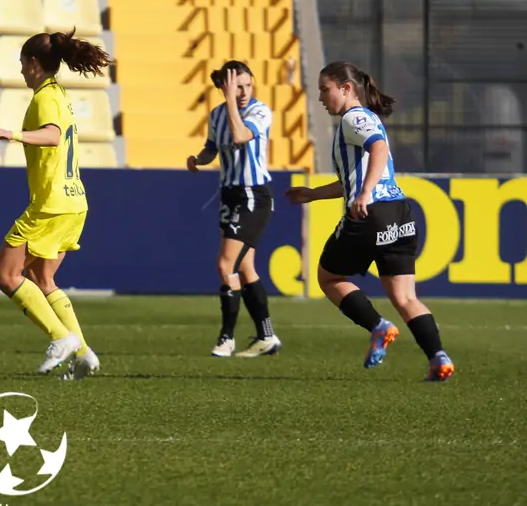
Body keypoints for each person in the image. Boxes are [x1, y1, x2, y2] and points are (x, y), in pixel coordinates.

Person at [285, 61, 454, 382]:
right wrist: (313, 194)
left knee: (329, 278)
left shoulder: (354, 118)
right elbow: (354, 176)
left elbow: (378, 148)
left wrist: (363, 194)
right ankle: (438, 358)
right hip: (399, 213)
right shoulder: (365, 120)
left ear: (346, 89)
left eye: (325, 90)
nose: (321, 98)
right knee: (406, 297)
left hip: (371, 214)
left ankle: (379, 327)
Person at [0, 28, 110, 379]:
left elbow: (52, 136)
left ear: (35, 63)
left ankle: (61, 338)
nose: (21, 71)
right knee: (42, 277)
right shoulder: (58, 93)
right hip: (74, 202)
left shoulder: (44, 99)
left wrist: (12, 134)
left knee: (6, 275)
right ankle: (83, 354)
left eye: (23, 63)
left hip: (51, 203)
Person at [187, 60, 281, 358]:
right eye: (236, 85)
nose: (243, 91)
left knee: (225, 265)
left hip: (254, 196)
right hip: (230, 194)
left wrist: (230, 100)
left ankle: (227, 338)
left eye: (247, 85)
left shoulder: (259, 111)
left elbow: (240, 136)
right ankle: (266, 336)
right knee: (245, 266)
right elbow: (213, 146)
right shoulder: (216, 115)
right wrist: (199, 160)